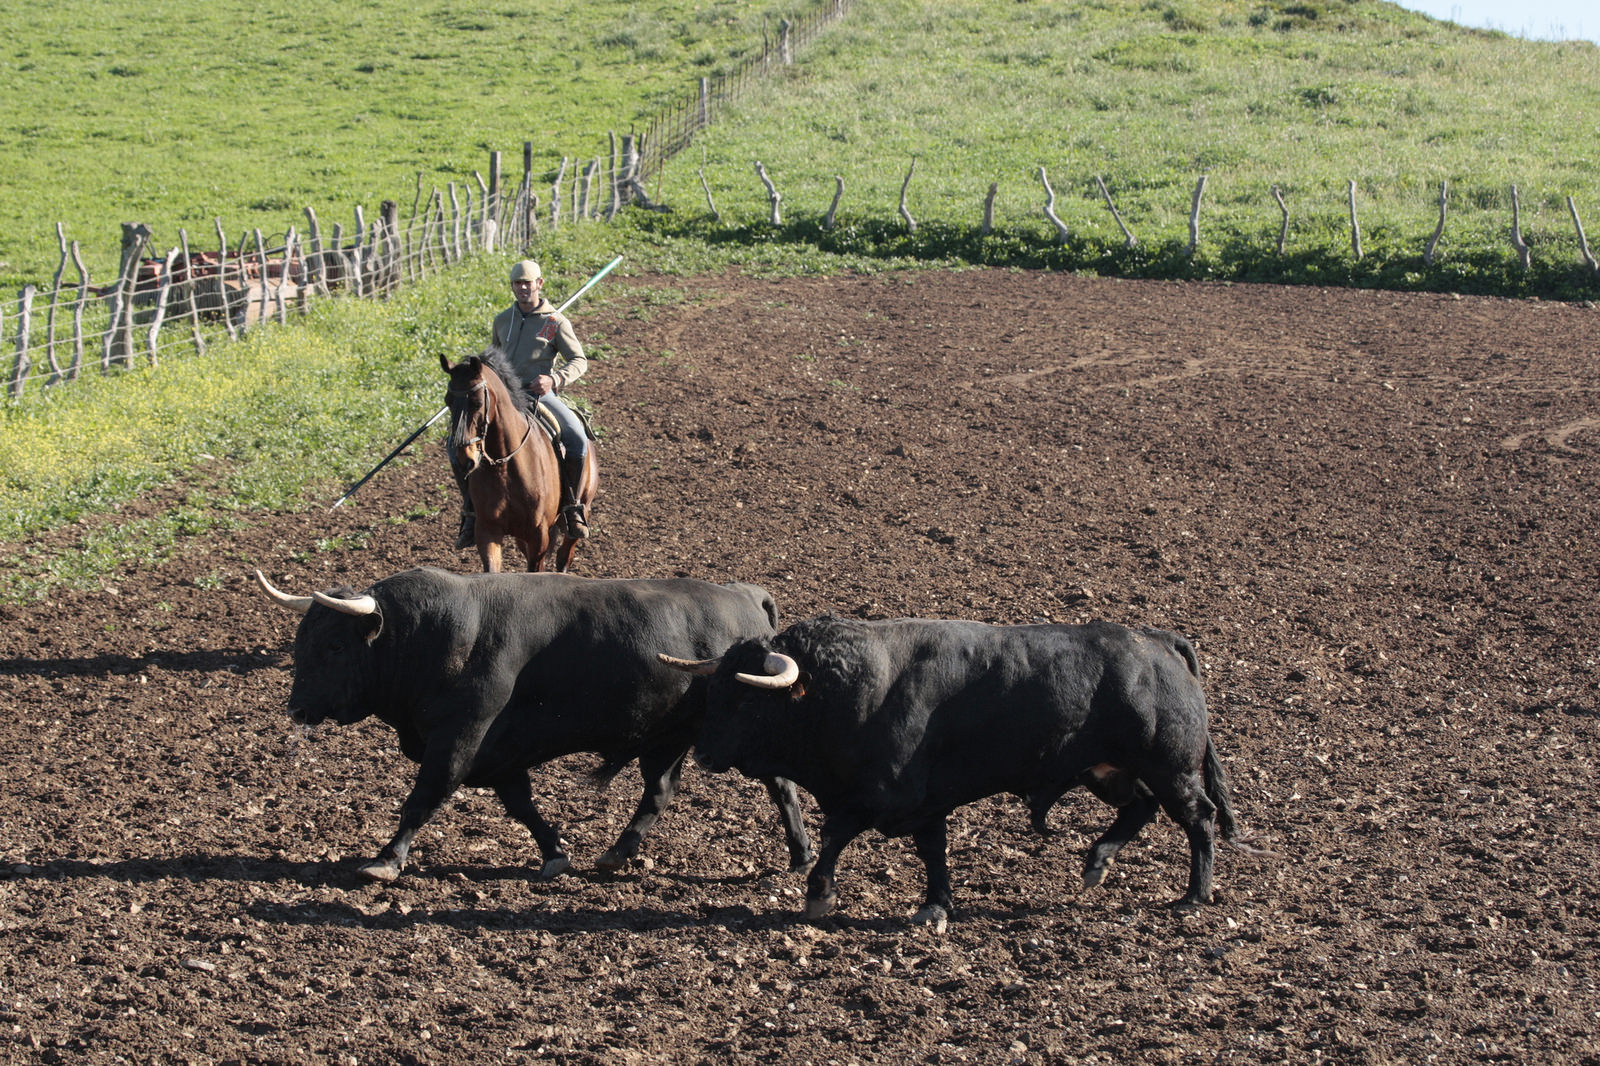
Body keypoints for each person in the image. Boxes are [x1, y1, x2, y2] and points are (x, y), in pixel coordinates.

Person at [453, 259, 592, 549]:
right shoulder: (503, 320)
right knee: (456, 445)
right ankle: (470, 513)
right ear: (513, 286)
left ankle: (572, 508)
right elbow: (490, 361)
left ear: (539, 284)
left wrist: (554, 380)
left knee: (577, 439)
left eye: (528, 283)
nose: (523, 288)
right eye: (518, 283)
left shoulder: (555, 323)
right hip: (503, 401)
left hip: (538, 395)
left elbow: (580, 361)